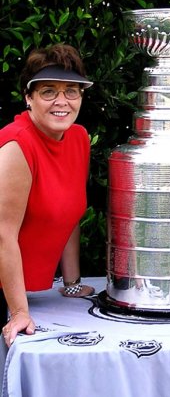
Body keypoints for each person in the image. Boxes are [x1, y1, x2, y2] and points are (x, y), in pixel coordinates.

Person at [0, 44, 95, 347]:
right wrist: (18, 312)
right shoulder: (17, 145)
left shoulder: (78, 138)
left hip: (26, 296)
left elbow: (69, 214)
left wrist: (71, 285)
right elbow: (3, 235)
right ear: (28, 97)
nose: (62, 101)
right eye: (48, 91)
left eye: (71, 91)